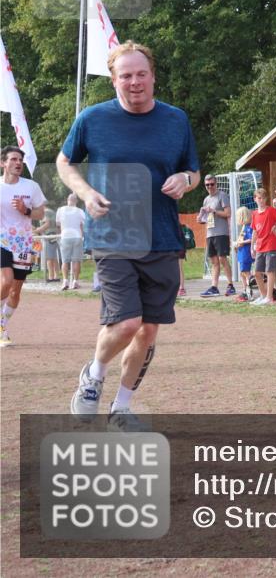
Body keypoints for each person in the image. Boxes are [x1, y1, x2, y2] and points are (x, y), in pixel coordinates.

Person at [59, 40, 200, 431]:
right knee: (126, 323)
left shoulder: (176, 120)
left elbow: (193, 170)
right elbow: (65, 162)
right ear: (114, 80)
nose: (134, 82)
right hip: (112, 235)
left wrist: (185, 180)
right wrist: (86, 192)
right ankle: (94, 374)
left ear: (153, 76)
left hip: (162, 235)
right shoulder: (92, 119)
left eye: (141, 74)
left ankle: (120, 409)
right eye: (126, 76)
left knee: (148, 330)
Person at [1, 146, 47, 347]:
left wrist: (25, 210)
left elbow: (40, 214)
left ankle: (3, 324)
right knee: (6, 281)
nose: (18, 163)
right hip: (2, 240)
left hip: (23, 242)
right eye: (13, 159)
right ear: (3, 163)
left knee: (15, 291)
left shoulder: (31, 186)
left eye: (20, 159)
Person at [250, 187, 276, 305]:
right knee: (257, 273)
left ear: (266, 199)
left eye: (263, 198)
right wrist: (252, 246)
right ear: (255, 199)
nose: (261, 200)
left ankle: (269, 297)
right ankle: (263, 296)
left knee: (269, 272)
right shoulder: (254, 214)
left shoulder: (270, 210)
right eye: (259, 198)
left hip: (271, 245)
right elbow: (254, 231)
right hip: (260, 246)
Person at [198, 174, 236, 297]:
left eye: (212, 184)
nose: (210, 186)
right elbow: (206, 218)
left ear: (216, 184)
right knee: (214, 261)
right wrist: (200, 218)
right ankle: (214, 287)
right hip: (210, 233)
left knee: (222, 259)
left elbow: (228, 213)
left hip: (221, 232)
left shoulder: (222, 195)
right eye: (207, 185)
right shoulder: (206, 199)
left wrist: (214, 211)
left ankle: (231, 285)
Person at [56, 193, 87, 290]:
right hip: (77, 236)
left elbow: (58, 224)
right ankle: (75, 282)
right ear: (76, 201)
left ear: (67, 200)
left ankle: (65, 281)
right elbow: (83, 225)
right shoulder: (80, 211)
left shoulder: (60, 210)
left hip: (65, 237)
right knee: (76, 260)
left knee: (65, 261)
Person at [34, 204, 60, 282]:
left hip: (49, 236)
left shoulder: (45, 212)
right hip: (54, 235)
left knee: (49, 257)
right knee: (54, 257)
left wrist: (36, 230)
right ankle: (56, 275)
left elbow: (47, 224)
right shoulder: (52, 212)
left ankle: (51, 277)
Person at [233, 206, 253, 302]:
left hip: (246, 253)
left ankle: (249, 291)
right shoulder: (244, 227)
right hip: (242, 253)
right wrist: (237, 244)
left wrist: (241, 242)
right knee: (242, 273)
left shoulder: (249, 227)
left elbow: (252, 239)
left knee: (246, 272)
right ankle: (245, 290)